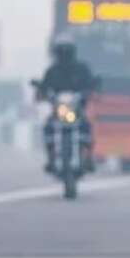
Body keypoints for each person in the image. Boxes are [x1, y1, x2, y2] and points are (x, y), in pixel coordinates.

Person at [36, 36, 98, 174]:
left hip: (77, 109)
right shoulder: (52, 71)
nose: (64, 55)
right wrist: (42, 93)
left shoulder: (82, 69)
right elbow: (44, 87)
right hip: (59, 110)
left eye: (67, 51)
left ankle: (88, 157)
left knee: (87, 127)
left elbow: (91, 84)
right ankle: (51, 158)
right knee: (48, 128)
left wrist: (89, 91)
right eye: (61, 52)